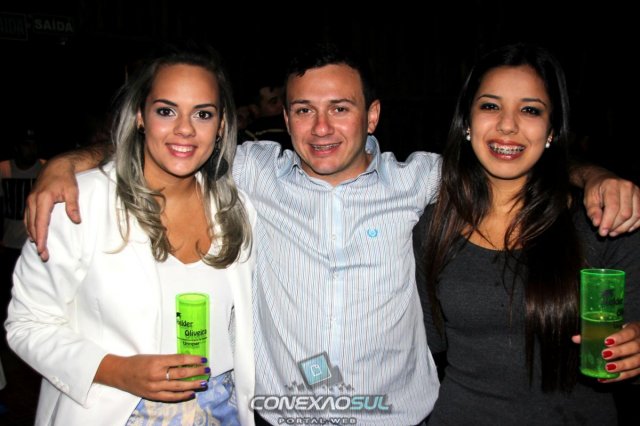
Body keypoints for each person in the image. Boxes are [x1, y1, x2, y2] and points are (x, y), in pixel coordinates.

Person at [23, 43, 640, 425]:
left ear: (372, 115)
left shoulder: (423, 180)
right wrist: (67, 163)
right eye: (304, 110)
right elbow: (174, 142)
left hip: (397, 419)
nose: (321, 128)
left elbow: (510, 157)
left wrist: (594, 175)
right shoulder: (254, 171)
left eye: (340, 108)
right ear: (284, 117)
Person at [5, 45, 256, 425]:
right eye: (166, 111)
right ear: (140, 116)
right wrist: (117, 370)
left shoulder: (235, 208)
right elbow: (27, 324)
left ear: (221, 125)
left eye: (203, 114)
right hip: (113, 409)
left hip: (221, 409)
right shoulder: (80, 202)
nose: (185, 128)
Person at [413, 43, 640, 425]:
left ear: (551, 130)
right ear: (467, 122)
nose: (507, 125)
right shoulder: (434, 226)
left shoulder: (604, 223)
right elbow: (424, 344)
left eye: (530, 110)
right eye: (490, 106)